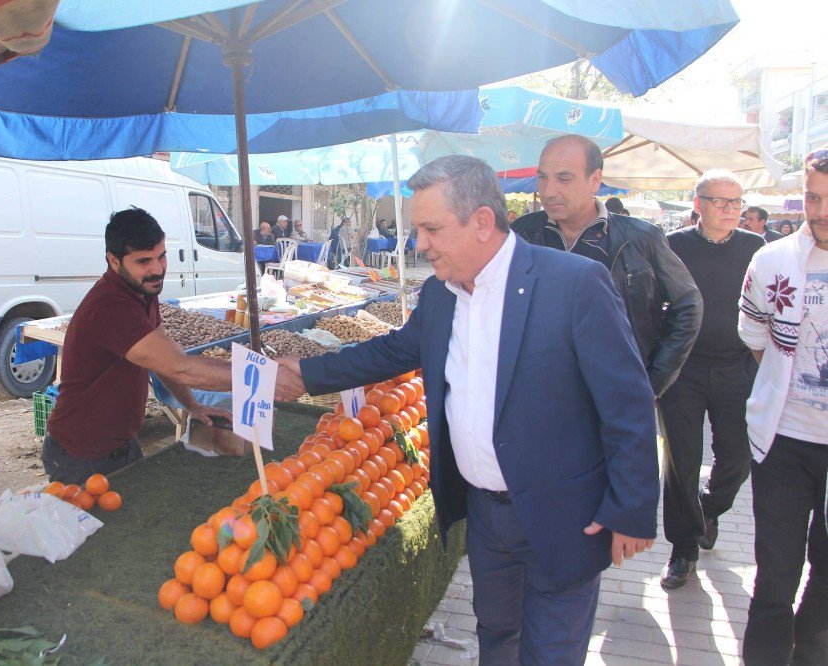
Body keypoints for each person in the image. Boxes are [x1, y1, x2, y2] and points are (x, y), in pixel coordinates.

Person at [282, 156, 660, 664]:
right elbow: (391, 352)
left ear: (482, 221)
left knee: (551, 651)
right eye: (419, 229)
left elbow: (628, 404)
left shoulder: (574, 283)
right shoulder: (440, 294)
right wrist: (302, 375)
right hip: (487, 516)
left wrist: (632, 510)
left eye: (431, 228)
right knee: (496, 636)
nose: (420, 244)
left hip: (563, 514)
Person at [43, 207, 305, 483]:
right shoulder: (110, 307)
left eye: (161, 256)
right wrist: (262, 377)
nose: (157, 270)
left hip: (121, 443)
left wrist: (192, 405)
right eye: (144, 261)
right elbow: (182, 368)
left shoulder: (141, 291)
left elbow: (165, 359)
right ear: (114, 260)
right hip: (79, 454)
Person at [513, 134, 702, 398]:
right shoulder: (521, 235)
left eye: (563, 179)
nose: (548, 190)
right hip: (538, 394)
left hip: (615, 394)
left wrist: (652, 381)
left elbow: (688, 304)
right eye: (543, 177)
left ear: (595, 180)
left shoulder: (641, 238)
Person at [739, 149, 828, 664]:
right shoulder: (772, 261)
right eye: (813, 197)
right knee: (775, 574)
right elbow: (755, 338)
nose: (819, 211)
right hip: (784, 442)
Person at [657, 171, 766, 589]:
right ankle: (682, 547)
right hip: (682, 372)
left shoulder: (757, 248)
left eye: (736, 202)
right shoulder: (673, 245)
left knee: (738, 458)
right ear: (697, 203)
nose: (730, 210)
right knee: (681, 462)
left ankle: (709, 507)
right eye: (720, 201)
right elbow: (654, 303)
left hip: (738, 369)